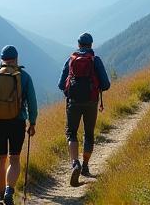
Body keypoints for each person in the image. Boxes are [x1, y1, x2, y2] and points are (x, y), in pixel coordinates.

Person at [0, 45, 38, 205]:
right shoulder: (24, 76)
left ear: (1, 59)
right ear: (16, 59)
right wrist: (32, 122)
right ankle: (9, 192)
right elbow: (32, 102)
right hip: (17, 122)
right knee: (14, 159)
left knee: (0, 160)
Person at [58, 33, 110, 186]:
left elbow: (61, 85)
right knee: (88, 133)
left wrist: (71, 92)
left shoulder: (71, 60)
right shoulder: (95, 60)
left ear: (79, 44)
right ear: (91, 45)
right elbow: (106, 84)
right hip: (91, 102)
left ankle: (75, 164)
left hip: (73, 102)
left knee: (71, 133)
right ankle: (85, 166)